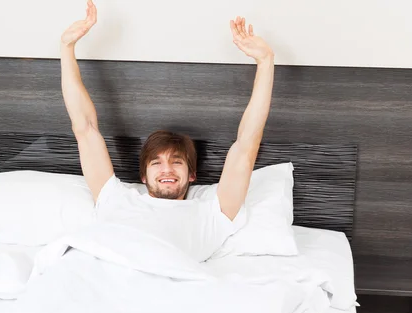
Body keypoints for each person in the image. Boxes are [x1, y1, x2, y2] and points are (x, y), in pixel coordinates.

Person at [60, 0, 274, 261]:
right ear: (143, 176)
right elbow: (84, 128)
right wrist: (66, 47)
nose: (167, 170)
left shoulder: (211, 215)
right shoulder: (115, 200)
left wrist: (265, 62)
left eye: (177, 162)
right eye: (156, 163)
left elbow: (246, 146)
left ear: (192, 175)